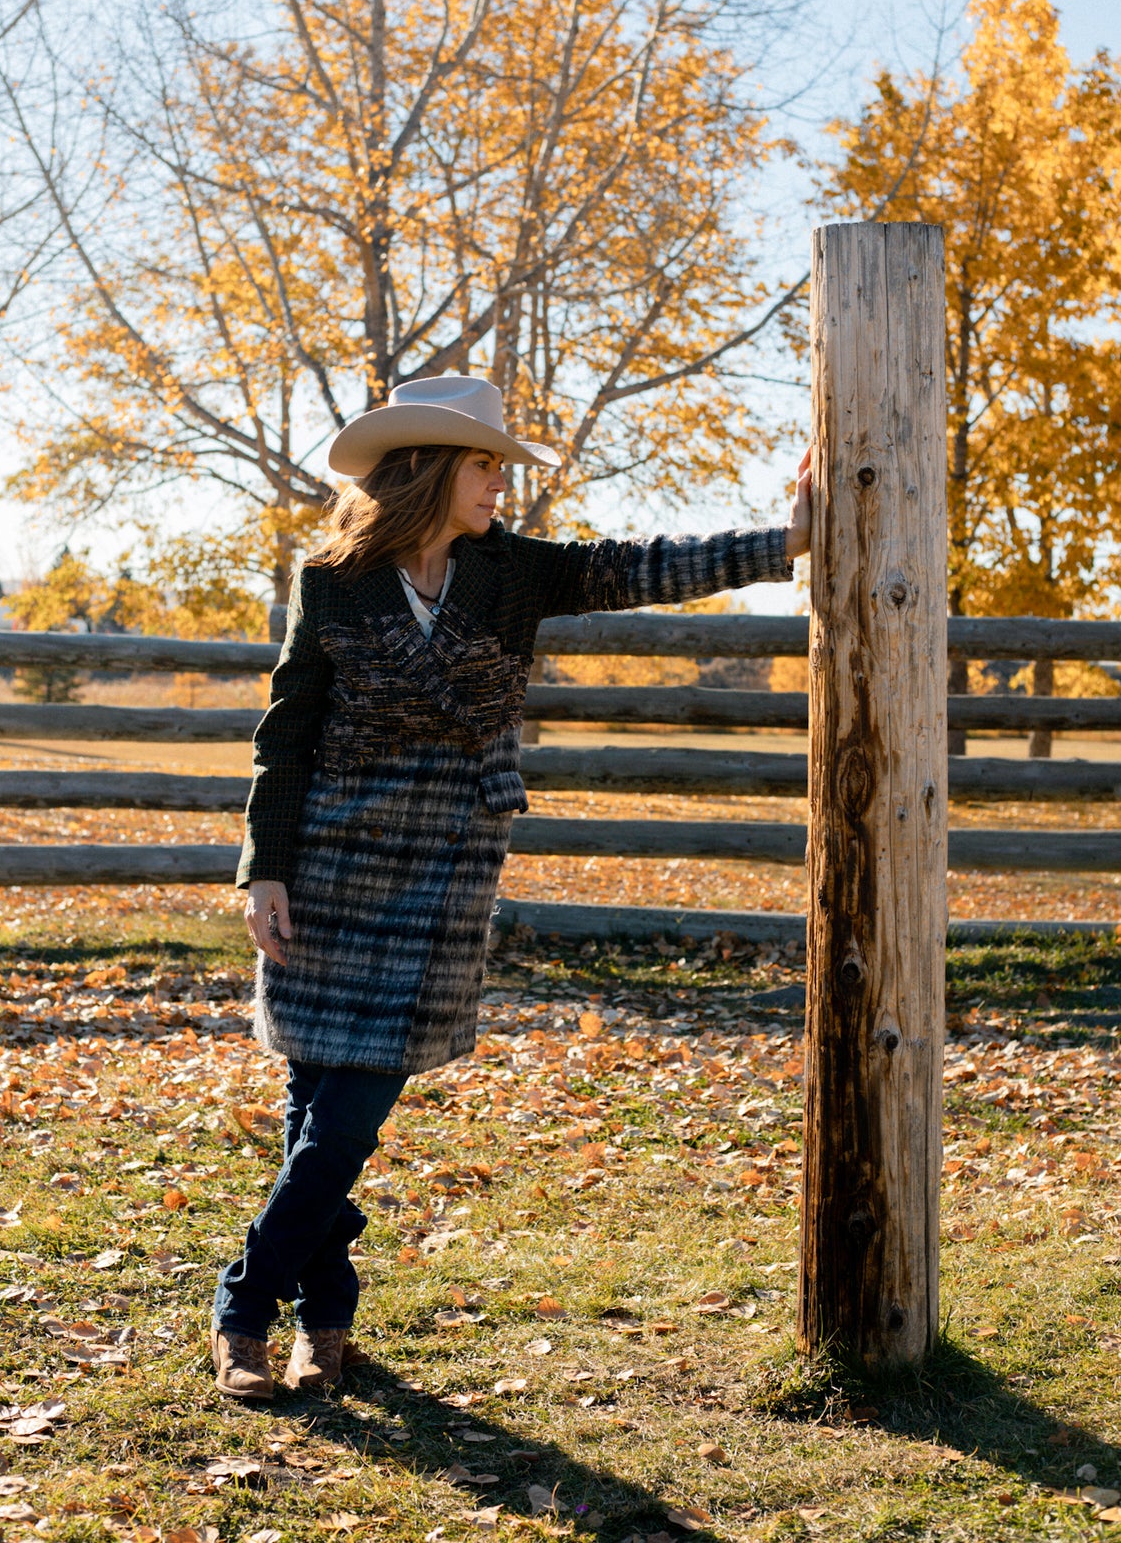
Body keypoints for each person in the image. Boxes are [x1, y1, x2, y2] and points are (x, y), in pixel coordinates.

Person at [211, 374, 812, 1401]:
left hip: (443, 879)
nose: (500, 482)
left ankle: (240, 1305)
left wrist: (784, 543)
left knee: (345, 1120)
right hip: (327, 872)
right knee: (315, 1110)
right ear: (432, 471)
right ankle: (325, 1320)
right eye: (486, 464)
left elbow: (640, 568)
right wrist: (264, 869)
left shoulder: (512, 573)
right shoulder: (333, 581)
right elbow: (287, 735)